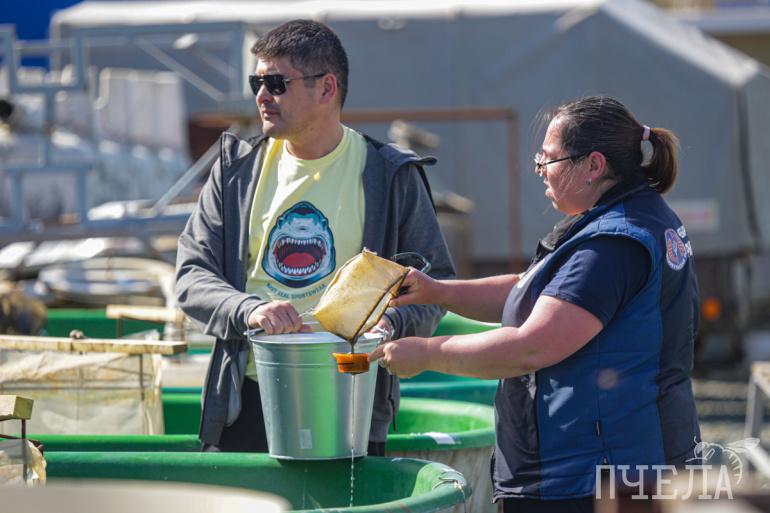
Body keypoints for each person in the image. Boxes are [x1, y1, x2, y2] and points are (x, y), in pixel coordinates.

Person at [370, 96, 700, 512]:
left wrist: (426, 354)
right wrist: (438, 291)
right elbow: (534, 293)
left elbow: (532, 346)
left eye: (548, 158)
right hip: (615, 464)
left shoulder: (611, 245)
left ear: (594, 165)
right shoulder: (629, 216)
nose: (539, 169)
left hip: (592, 478)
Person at [176, 19, 455, 455]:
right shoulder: (235, 171)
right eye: (257, 83)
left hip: (350, 393)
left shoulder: (390, 175)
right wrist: (251, 309)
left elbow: (435, 285)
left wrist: (391, 324)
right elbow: (192, 276)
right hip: (246, 400)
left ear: (327, 88)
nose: (261, 96)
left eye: (276, 83)